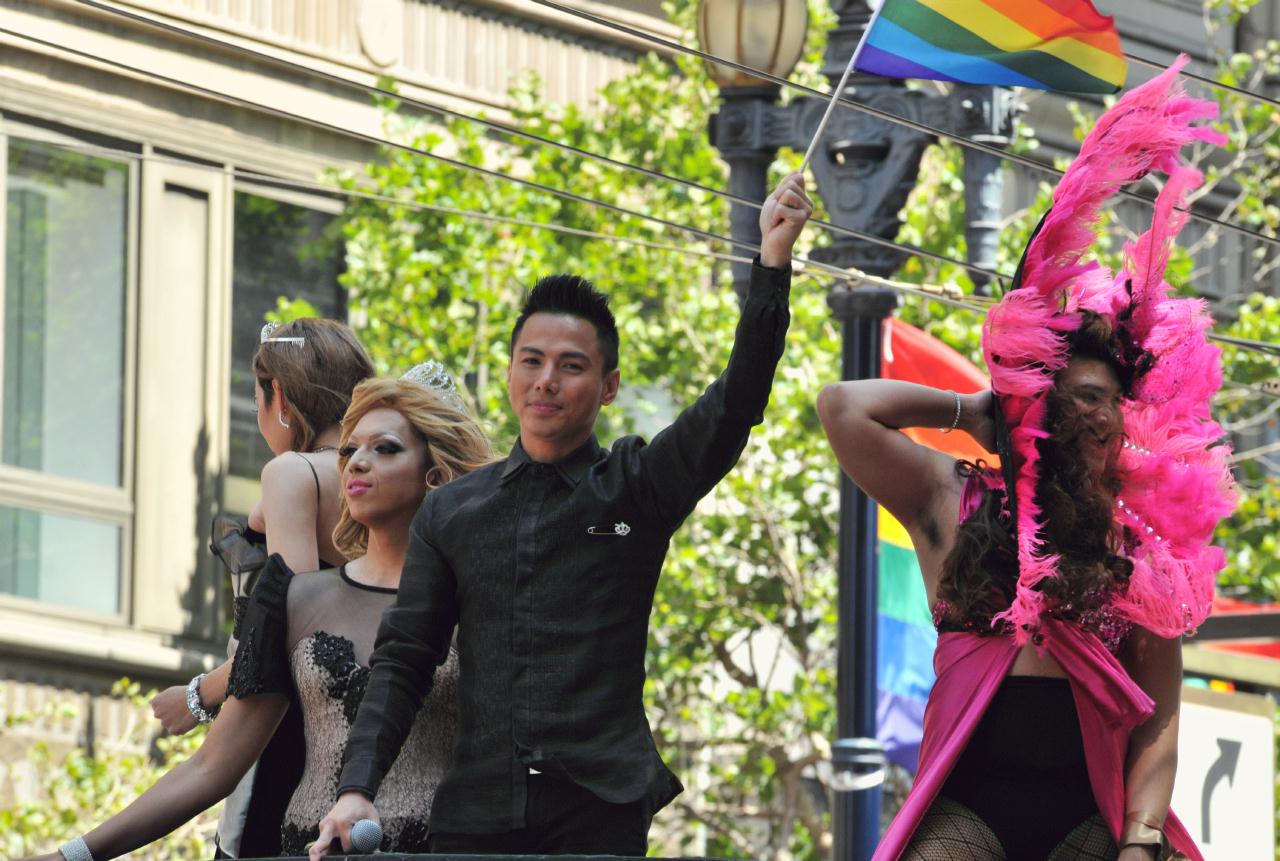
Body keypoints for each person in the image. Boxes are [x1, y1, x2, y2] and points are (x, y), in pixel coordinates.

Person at [311, 172, 814, 858]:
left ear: (608, 386)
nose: (547, 378)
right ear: (512, 371)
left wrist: (772, 268)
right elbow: (405, 658)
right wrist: (355, 785)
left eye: (571, 365)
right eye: (533, 360)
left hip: (598, 811)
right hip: (477, 816)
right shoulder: (452, 511)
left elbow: (733, 407)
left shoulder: (636, 487)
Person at [817, 59, 1234, 861]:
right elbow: (843, 408)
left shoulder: (1136, 549)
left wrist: (1143, 839)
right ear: (1034, 409)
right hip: (966, 817)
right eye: (1074, 396)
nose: (1095, 413)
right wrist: (974, 413)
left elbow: (1159, 716)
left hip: (1090, 821)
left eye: (1108, 402)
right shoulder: (951, 499)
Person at [29, 370, 493, 861]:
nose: (357, 462)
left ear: (436, 475)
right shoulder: (296, 600)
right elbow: (211, 767)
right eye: (348, 450)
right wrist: (70, 856)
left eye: (385, 449)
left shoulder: (478, 604)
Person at [149, 317, 374, 858]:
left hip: (283, 721)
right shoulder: (371, 476)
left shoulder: (294, 474)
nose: (257, 417)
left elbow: (288, 633)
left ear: (280, 397)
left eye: (256, 401)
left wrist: (199, 696)